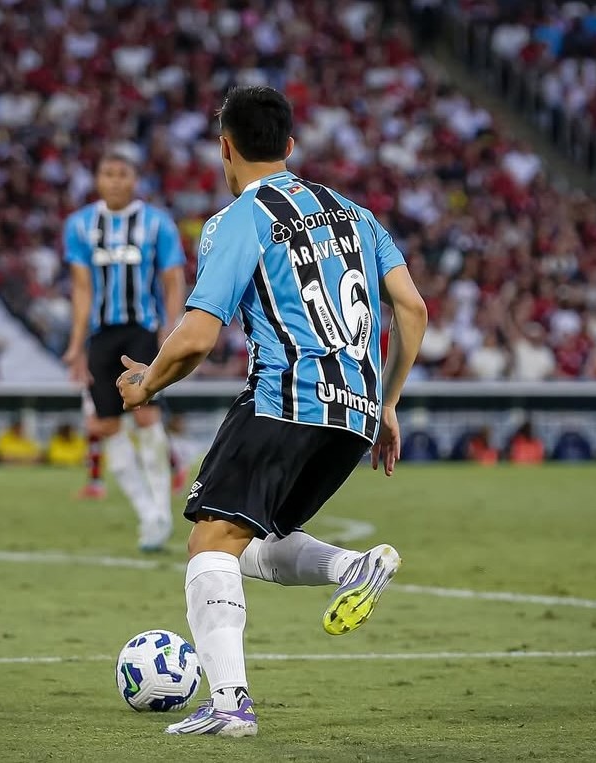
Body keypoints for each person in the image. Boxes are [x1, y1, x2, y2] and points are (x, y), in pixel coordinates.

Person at [116, 86, 428, 737]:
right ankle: (352, 566)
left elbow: (199, 336)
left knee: (209, 537)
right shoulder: (355, 213)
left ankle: (230, 703)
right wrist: (389, 401)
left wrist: (147, 385)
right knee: (250, 542)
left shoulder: (238, 219)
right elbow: (413, 308)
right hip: (356, 411)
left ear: (224, 146)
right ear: (289, 145)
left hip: (288, 393)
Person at [62, 148, 187, 550]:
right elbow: (81, 289)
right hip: (101, 336)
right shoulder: (80, 225)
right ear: (97, 179)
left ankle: (162, 514)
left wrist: (172, 328)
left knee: (148, 417)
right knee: (107, 426)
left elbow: (172, 280)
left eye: (122, 174)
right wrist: (77, 344)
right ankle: (148, 514)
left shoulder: (156, 224)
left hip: (141, 332)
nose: (115, 180)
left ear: (135, 180)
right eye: (107, 173)